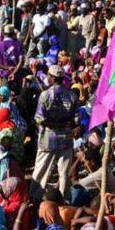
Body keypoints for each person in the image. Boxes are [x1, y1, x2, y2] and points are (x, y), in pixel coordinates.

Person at [31, 64, 79, 200]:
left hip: (48, 139)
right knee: (64, 173)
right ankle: (64, 200)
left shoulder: (45, 95)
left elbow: (40, 119)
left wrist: (55, 124)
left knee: (41, 171)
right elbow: (76, 120)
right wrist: (64, 124)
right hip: (66, 139)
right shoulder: (71, 95)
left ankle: (35, 198)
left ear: (52, 78)